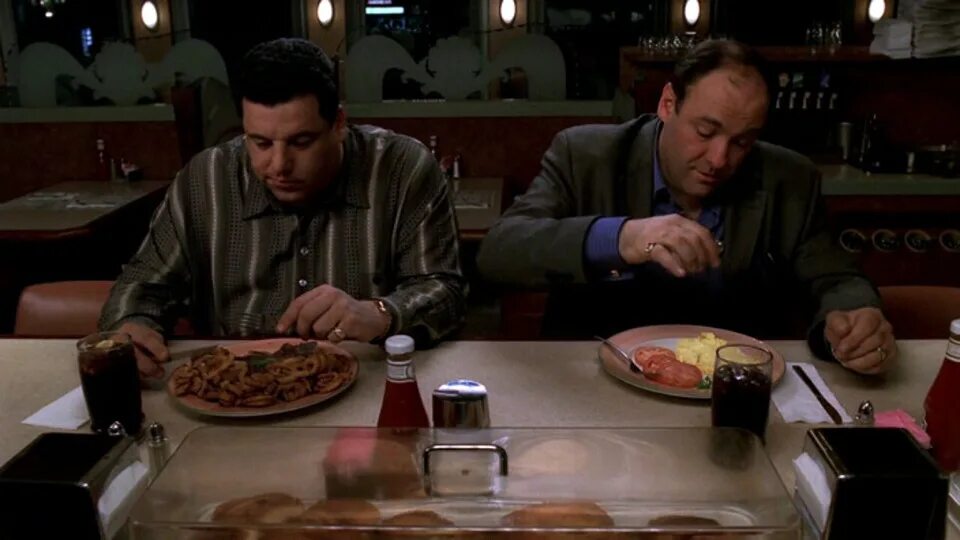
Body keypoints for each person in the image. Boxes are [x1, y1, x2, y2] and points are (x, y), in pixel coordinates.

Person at [477, 39, 895, 375]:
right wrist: (621, 237)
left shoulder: (790, 178)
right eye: (705, 131)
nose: (719, 159)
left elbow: (839, 280)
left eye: (742, 142)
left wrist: (854, 320)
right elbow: (499, 252)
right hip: (596, 386)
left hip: (731, 393)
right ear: (668, 104)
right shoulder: (585, 156)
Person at [100, 38, 466, 379]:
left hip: (364, 385)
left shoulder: (402, 169)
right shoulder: (206, 179)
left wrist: (380, 313)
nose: (278, 165)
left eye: (301, 142)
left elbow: (444, 290)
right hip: (232, 391)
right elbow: (142, 283)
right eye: (260, 143)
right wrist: (132, 323)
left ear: (338, 124)